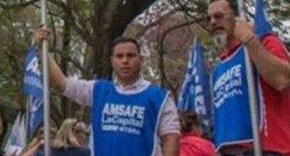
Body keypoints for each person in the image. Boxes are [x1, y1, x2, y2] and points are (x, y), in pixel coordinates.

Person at [34, 27, 180, 156]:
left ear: (141, 60)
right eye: (119, 56)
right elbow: (61, 84)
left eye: (130, 56)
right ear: (112, 61)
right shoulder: (97, 90)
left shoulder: (160, 98)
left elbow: (171, 139)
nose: (125, 61)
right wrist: (42, 50)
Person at [208, 0, 290, 155]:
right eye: (209, 18)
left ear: (237, 19)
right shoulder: (218, 69)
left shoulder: (263, 42)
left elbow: (282, 79)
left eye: (219, 16)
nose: (213, 22)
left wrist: (249, 40)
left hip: (270, 148)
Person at [20, 119, 89, 156]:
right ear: (74, 132)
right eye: (85, 133)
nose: (84, 136)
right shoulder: (83, 152)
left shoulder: (44, 148)